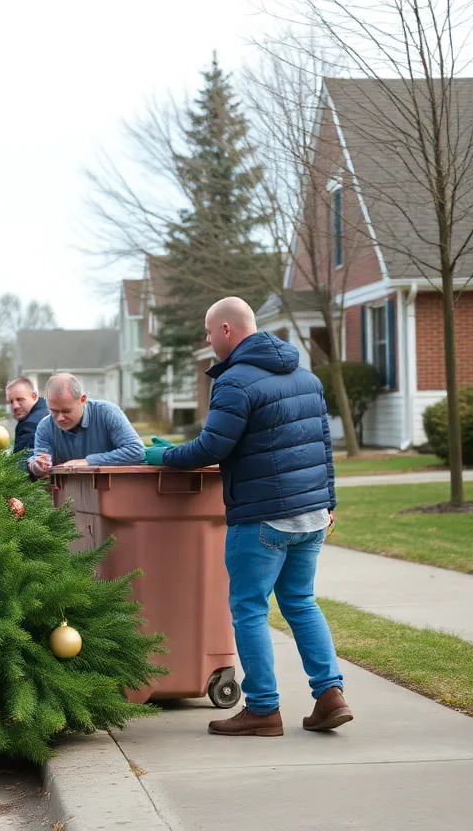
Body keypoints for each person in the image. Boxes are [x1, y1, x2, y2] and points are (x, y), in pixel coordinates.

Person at [145, 297, 347, 738]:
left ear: (228, 331)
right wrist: (329, 503)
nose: (206, 339)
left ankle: (262, 709)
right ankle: (330, 695)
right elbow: (323, 448)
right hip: (312, 515)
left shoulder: (235, 381)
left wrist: (161, 455)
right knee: (300, 602)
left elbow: (211, 449)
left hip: (262, 519)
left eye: (208, 331)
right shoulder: (305, 376)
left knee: (250, 610)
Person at [27, 374, 145, 478]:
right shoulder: (45, 427)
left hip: (113, 491)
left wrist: (88, 461)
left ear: (83, 399)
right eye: (54, 411)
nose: (59, 418)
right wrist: (37, 466)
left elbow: (136, 451)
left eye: (66, 411)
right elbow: (39, 458)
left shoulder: (108, 413)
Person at [6, 377, 48, 463]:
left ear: (34, 396)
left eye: (20, 399)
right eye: (11, 402)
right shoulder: (48, 411)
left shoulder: (30, 425)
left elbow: (19, 467)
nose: (15, 406)